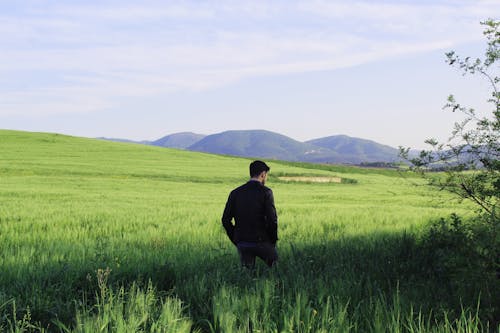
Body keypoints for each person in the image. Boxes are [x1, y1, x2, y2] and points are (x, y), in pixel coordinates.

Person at [222, 160, 278, 268]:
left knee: (247, 277)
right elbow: (272, 220)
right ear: (263, 174)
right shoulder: (266, 192)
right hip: (262, 241)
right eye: (266, 175)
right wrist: (273, 240)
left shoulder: (235, 193)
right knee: (276, 268)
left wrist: (235, 238)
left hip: (242, 242)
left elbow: (225, 219)